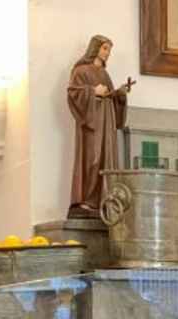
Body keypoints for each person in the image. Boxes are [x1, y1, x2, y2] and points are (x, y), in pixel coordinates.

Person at [67, 34, 134, 217]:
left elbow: (110, 97)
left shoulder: (104, 74)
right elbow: (73, 93)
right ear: (95, 48)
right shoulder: (81, 71)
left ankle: (102, 200)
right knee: (92, 159)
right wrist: (92, 91)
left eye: (109, 50)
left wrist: (120, 94)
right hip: (92, 124)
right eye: (105, 48)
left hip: (106, 123)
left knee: (106, 159)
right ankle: (86, 201)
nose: (107, 53)